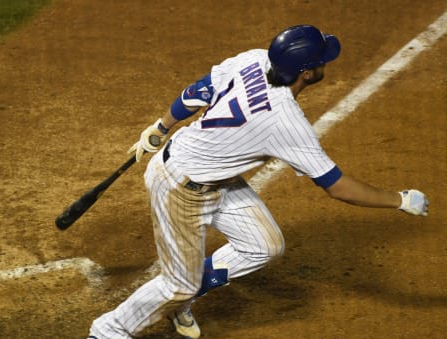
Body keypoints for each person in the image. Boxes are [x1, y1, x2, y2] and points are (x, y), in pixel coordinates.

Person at [88, 24, 429, 339]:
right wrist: (398, 200)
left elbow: (200, 90)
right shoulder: (285, 122)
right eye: (322, 60)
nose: (328, 63)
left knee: (264, 246)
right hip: (179, 188)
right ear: (306, 73)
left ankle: (189, 295)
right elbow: (336, 186)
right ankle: (107, 331)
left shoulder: (255, 59)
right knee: (178, 284)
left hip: (212, 177)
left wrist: (161, 126)